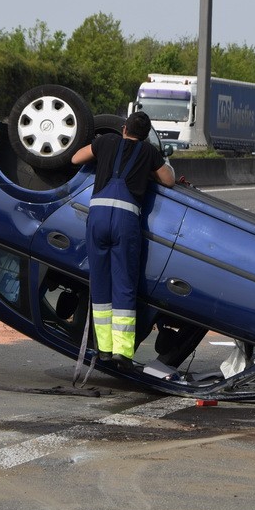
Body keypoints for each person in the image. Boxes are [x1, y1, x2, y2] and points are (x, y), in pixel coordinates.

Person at [71, 112, 176, 371]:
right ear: (146, 134)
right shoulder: (149, 152)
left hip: (97, 219)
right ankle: (122, 352)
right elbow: (169, 180)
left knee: (101, 283)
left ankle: (103, 349)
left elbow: (75, 158)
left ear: (124, 128)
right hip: (125, 221)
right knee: (125, 285)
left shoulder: (106, 141)